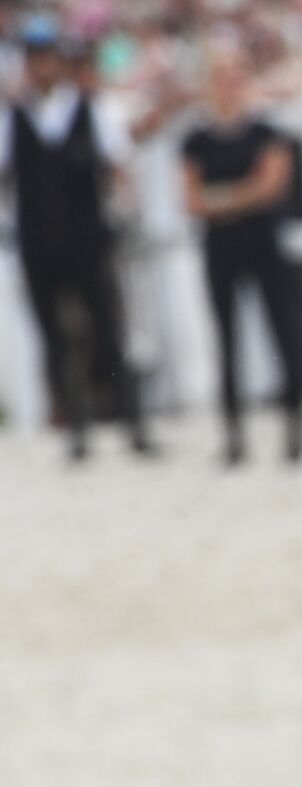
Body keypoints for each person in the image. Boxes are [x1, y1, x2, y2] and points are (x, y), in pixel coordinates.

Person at [0, 14, 154, 461]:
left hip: (87, 236)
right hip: (39, 240)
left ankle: (131, 419)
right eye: (34, 58)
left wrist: (123, 213)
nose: (41, 66)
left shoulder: (92, 110)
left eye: (47, 57)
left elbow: (119, 167)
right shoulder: (13, 118)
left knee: (108, 327)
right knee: (54, 335)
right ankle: (76, 424)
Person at [181, 45, 302, 465]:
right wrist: (244, 194)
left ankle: (294, 423)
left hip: (262, 243)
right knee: (226, 336)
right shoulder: (196, 138)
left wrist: (223, 199)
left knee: (283, 329)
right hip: (221, 248)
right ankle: (233, 432)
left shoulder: (266, 132)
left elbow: (272, 186)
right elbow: (191, 200)